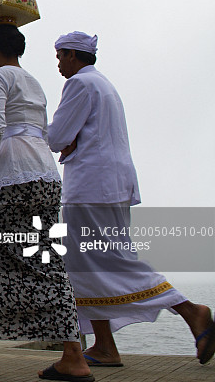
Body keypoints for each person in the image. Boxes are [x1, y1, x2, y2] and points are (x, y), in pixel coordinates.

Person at [47, 31, 215, 366]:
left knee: (108, 259)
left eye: (60, 55)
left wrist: (62, 139)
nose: (58, 63)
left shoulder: (79, 85)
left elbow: (56, 137)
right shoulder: (105, 86)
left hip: (92, 188)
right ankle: (105, 346)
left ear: (73, 56)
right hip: (112, 185)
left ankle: (190, 310)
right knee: (86, 265)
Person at [0, 24, 92, 381]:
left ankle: (61, 354)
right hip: (45, 175)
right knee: (30, 258)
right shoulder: (33, 80)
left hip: (15, 176)